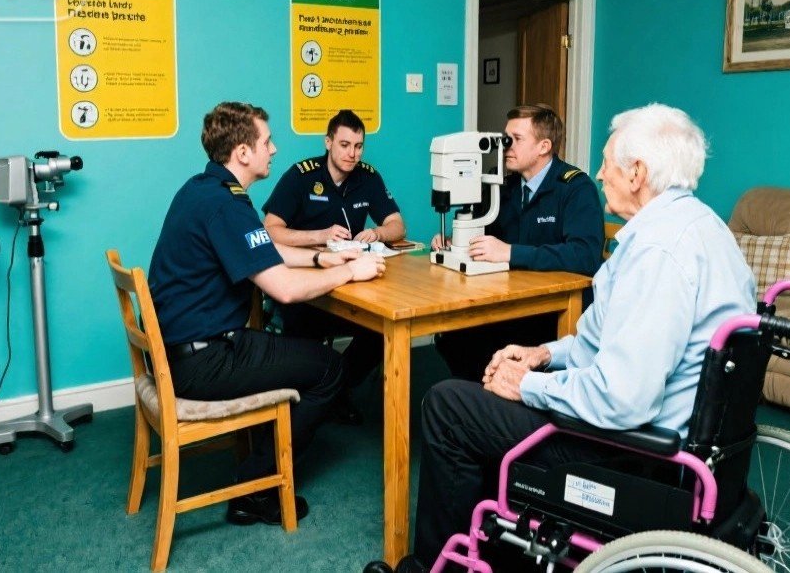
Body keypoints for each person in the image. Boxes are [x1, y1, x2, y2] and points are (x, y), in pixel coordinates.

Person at [387, 103, 756, 573]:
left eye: (607, 162)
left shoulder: (656, 254)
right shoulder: (704, 228)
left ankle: (436, 566)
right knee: (482, 377)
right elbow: (603, 341)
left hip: (628, 448)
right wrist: (544, 354)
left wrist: (527, 386)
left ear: (637, 172)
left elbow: (622, 400)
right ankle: (500, 544)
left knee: (448, 404)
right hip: (689, 438)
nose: (599, 173)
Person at [148, 101, 386, 527]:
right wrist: (352, 268)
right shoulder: (227, 205)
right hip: (204, 360)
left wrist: (318, 261)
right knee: (330, 370)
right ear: (243, 152)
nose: (274, 150)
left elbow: (263, 249)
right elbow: (286, 292)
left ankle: (263, 457)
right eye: (267, 141)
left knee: (299, 354)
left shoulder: (203, 190)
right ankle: (257, 487)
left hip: (183, 348)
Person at [431, 104, 604, 381]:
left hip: (551, 309)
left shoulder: (575, 188)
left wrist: (510, 252)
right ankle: (484, 401)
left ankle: (499, 399)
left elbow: (585, 256)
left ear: (544, 146)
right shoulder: (504, 186)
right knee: (451, 335)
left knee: (478, 339)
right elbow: (483, 235)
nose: (506, 146)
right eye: (504, 137)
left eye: (516, 139)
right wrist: (455, 242)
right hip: (510, 300)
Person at [262, 109, 407, 424]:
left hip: (351, 281)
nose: (352, 154)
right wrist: (321, 235)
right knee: (300, 326)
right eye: (344, 145)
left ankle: (339, 388)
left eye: (358, 146)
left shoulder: (368, 176)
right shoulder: (302, 175)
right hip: (306, 284)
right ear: (328, 143)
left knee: (381, 329)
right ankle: (313, 396)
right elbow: (270, 229)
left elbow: (398, 225)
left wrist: (378, 232)